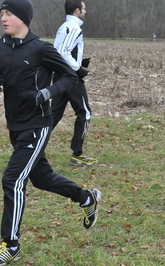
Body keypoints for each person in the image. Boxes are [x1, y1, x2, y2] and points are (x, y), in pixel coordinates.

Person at [0, 0, 101, 263]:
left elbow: (69, 75)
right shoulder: (1, 47)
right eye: (1, 13)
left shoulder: (41, 49)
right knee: (42, 178)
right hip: (15, 125)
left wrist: (47, 92)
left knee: (13, 180)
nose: (3, 17)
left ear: (23, 17)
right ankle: (86, 198)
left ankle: (11, 245)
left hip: (37, 125)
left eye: (8, 13)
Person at [52, 0, 97, 166]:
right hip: (71, 78)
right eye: (84, 8)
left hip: (59, 76)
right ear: (77, 11)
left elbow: (58, 50)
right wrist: (78, 69)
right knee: (85, 113)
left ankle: (31, 148)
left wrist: (80, 61)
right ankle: (77, 154)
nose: (86, 10)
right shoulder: (75, 28)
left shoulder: (63, 27)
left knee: (53, 116)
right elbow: (63, 52)